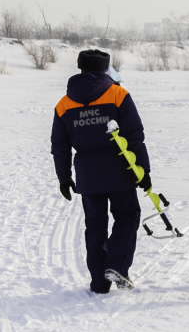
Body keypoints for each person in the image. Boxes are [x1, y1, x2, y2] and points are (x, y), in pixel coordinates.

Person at [51, 49, 152, 294]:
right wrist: (143, 170)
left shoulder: (65, 103)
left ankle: (99, 282)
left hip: (87, 175)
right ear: (106, 69)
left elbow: (60, 145)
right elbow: (134, 136)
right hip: (121, 170)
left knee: (95, 226)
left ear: (80, 67)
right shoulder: (118, 94)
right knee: (127, 217)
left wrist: (64, 178)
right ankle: (117, 266)